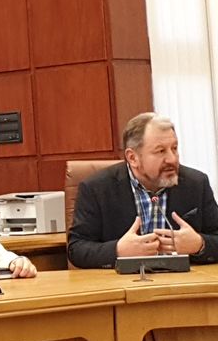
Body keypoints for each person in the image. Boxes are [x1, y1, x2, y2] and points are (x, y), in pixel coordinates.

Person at [68, 112, 218, 268]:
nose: (172, 159)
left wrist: (199, 244)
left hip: (183, 281)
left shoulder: (196, 184)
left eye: (174, 148)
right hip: (123, 280)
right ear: (133, 158)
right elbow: (76, 249)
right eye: (160, 151)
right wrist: (118, 250)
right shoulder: (96, 188)